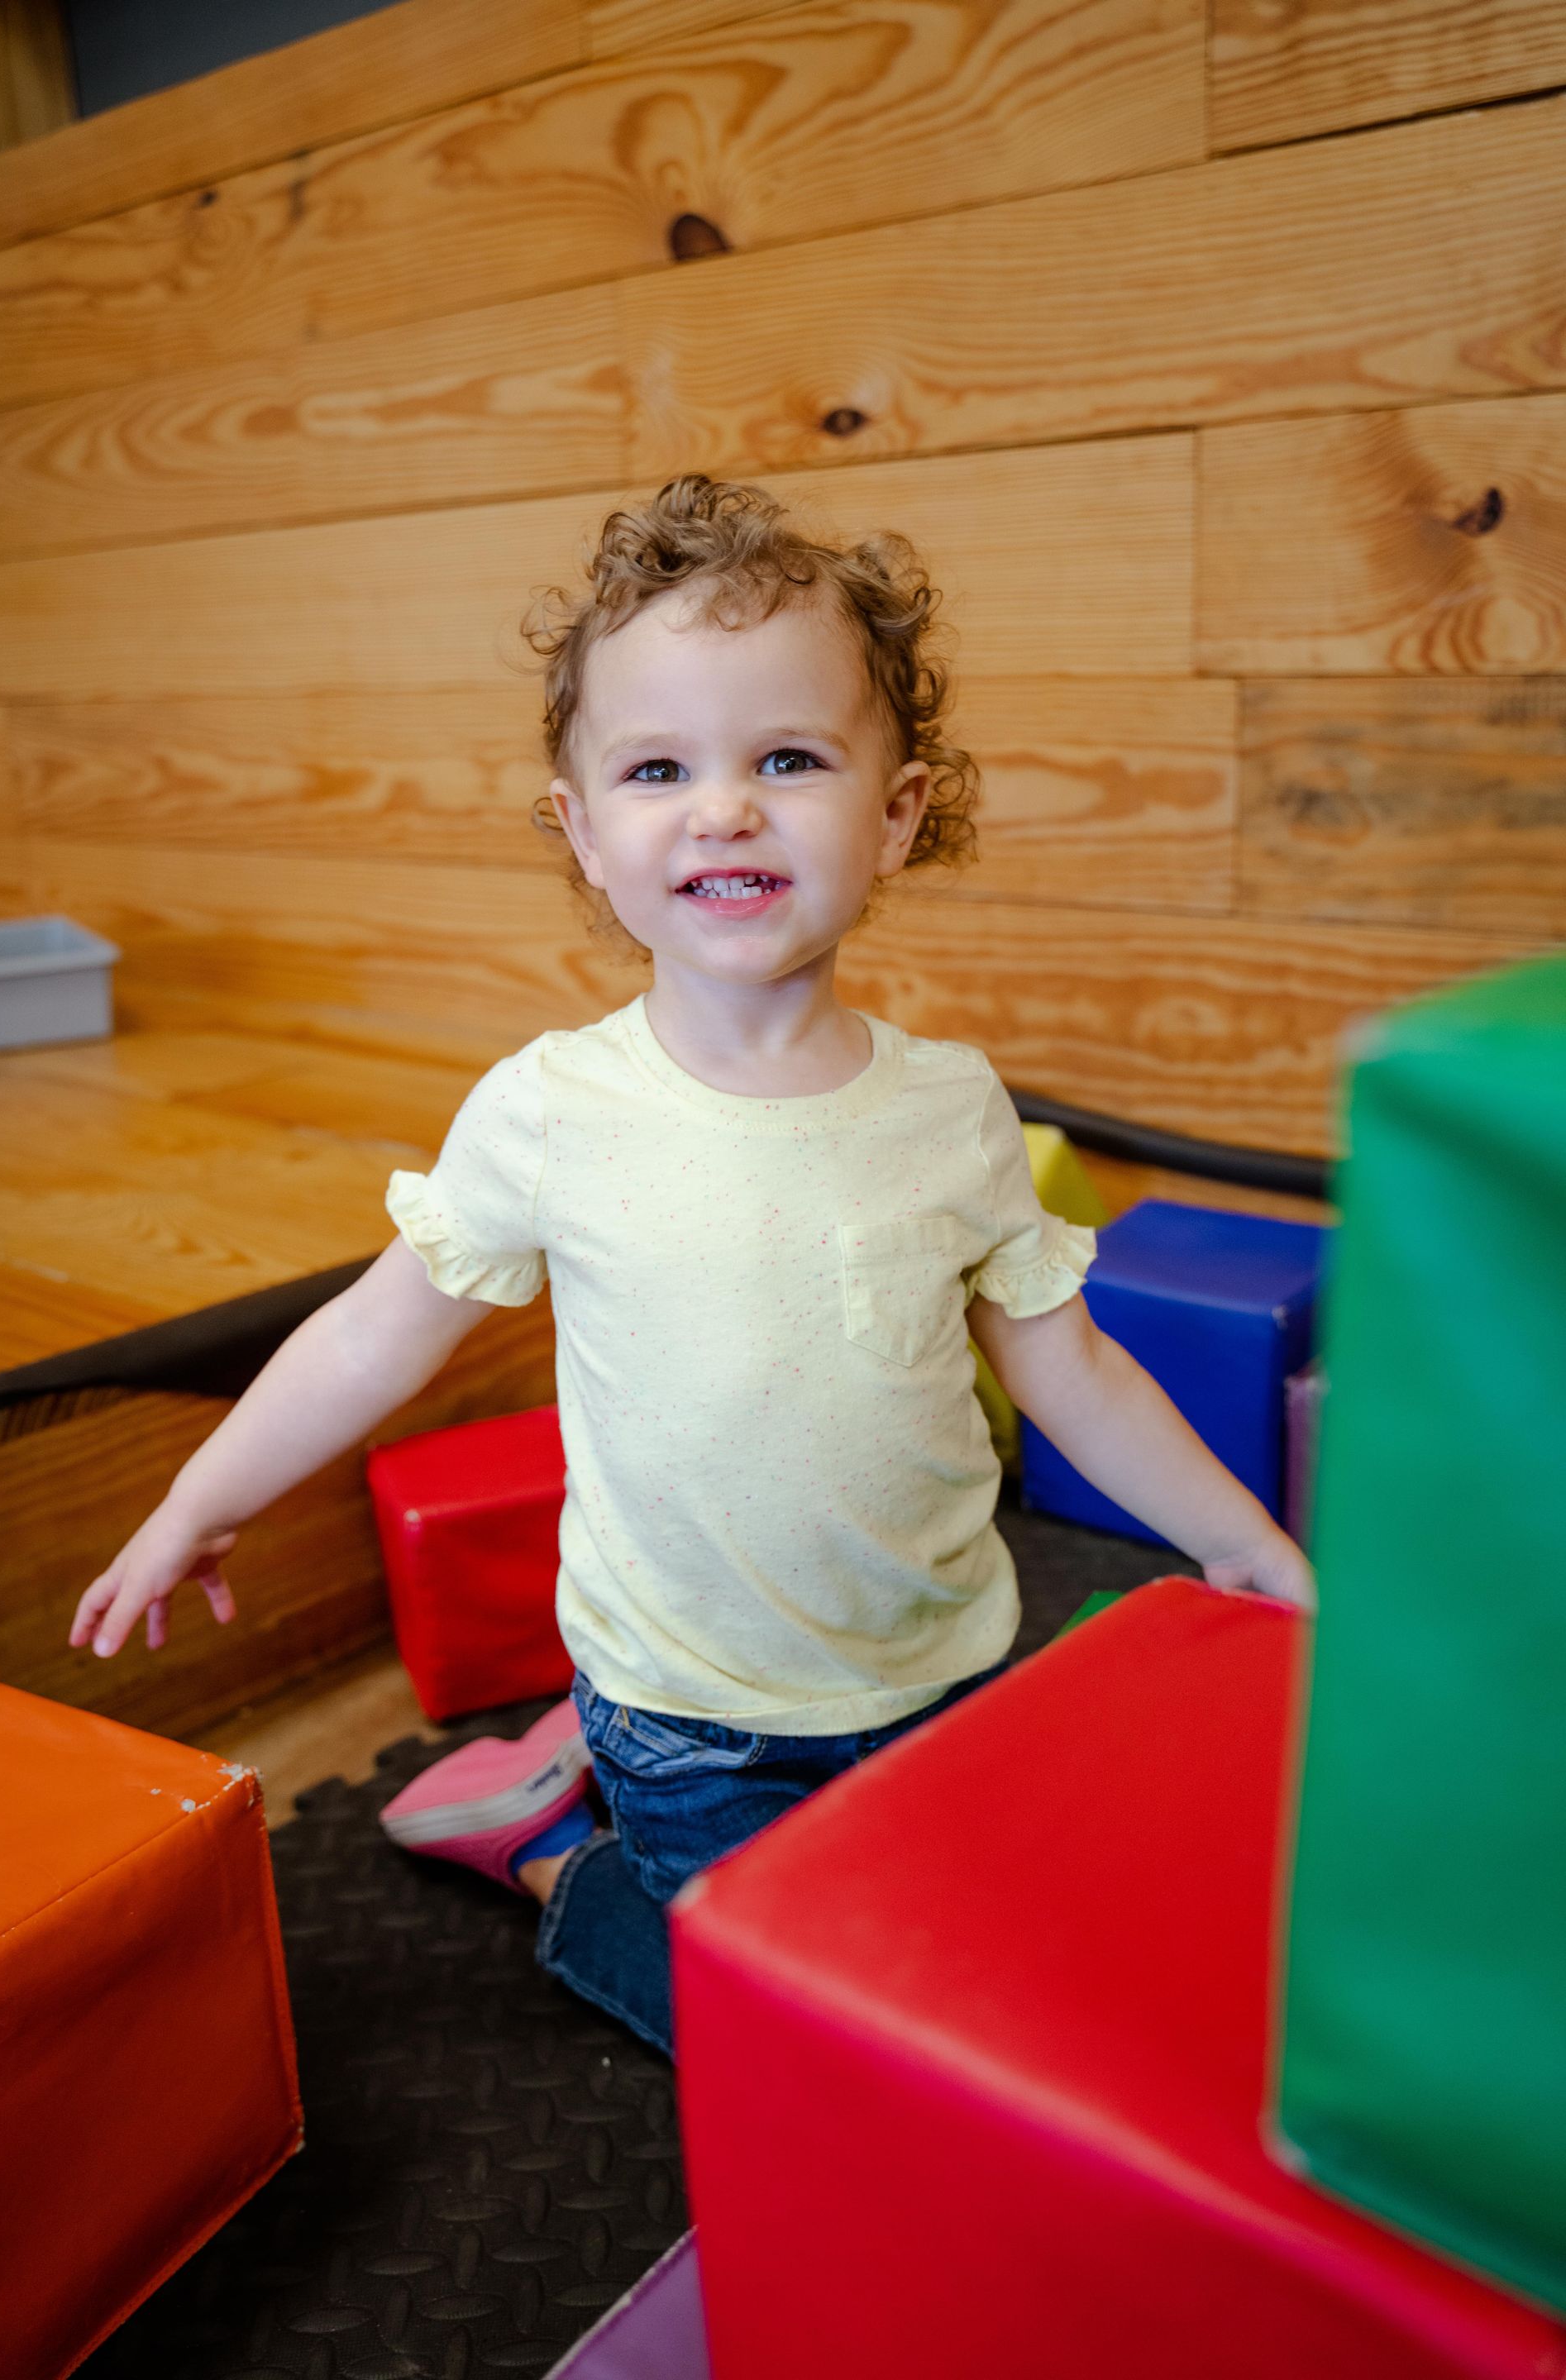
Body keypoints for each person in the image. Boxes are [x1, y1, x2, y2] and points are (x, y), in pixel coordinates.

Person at [71, 475, 1312, 2057]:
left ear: (898, 814)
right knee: (781, 2039)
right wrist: (204, 1496)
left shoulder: (954, 1110)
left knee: (971, 1979)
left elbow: (1070, 1361)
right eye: (659, 769)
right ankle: (552, 1853)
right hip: (690, 1716)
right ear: (584, 834)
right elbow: (376, 1335)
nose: (723, 808)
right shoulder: (552, 1110)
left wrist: (1242, 1539)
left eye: (787, 759)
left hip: (940, 1666)